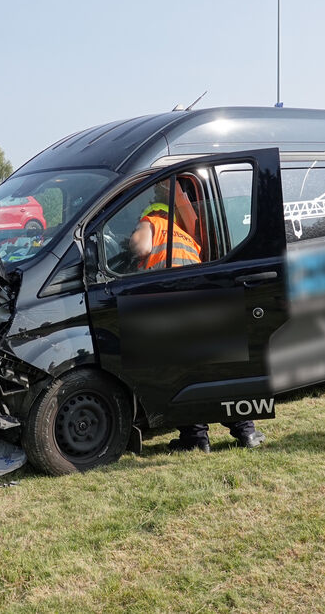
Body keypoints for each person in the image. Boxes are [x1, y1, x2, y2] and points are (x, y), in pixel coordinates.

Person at [129, 179, 266, 453]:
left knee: (181, 374)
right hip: (200, 298)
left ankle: (196, 438)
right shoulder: (185, 233)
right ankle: (246, 431)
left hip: (167, 299)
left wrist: (129, 246)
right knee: (214, 368)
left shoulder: (152, 220)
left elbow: (141, 247)